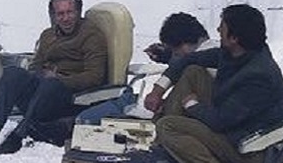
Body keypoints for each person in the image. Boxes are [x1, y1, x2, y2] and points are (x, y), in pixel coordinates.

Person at [148, 4, 283, 163]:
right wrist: (158, 89)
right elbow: (188, 61)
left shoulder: (258, 75)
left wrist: (192, 105)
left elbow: (219, 121)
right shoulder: (237, 52)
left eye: (222, 28)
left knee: (168, 126)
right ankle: (168, 146)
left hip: (248, 148)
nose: (217, 31)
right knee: (193, 72)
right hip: (231, 122)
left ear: (234, 38)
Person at [0, 0, 108, 155]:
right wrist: (39, 75)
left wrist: (59, 78)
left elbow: (95, 77)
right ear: (53, 15)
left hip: (70, 97)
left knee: (51, 84)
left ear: (78, 12)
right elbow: (35, 66)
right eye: (60, 14)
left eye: (70, 12)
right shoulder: (48, 35)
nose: (65, 18)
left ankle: (18, 136)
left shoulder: (91, 36)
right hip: (42, 94)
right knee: (12, 73)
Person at [76, 12, 211, 125]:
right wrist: (167, 56)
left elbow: (184, 65)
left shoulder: (203, 62)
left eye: (175, 52)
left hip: (167, 114)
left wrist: (158, 93)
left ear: (185, 45)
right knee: (125, 95)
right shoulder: (205, 51)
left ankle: (77, 122)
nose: (176, 57)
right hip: (169, 105)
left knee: (116, 105)